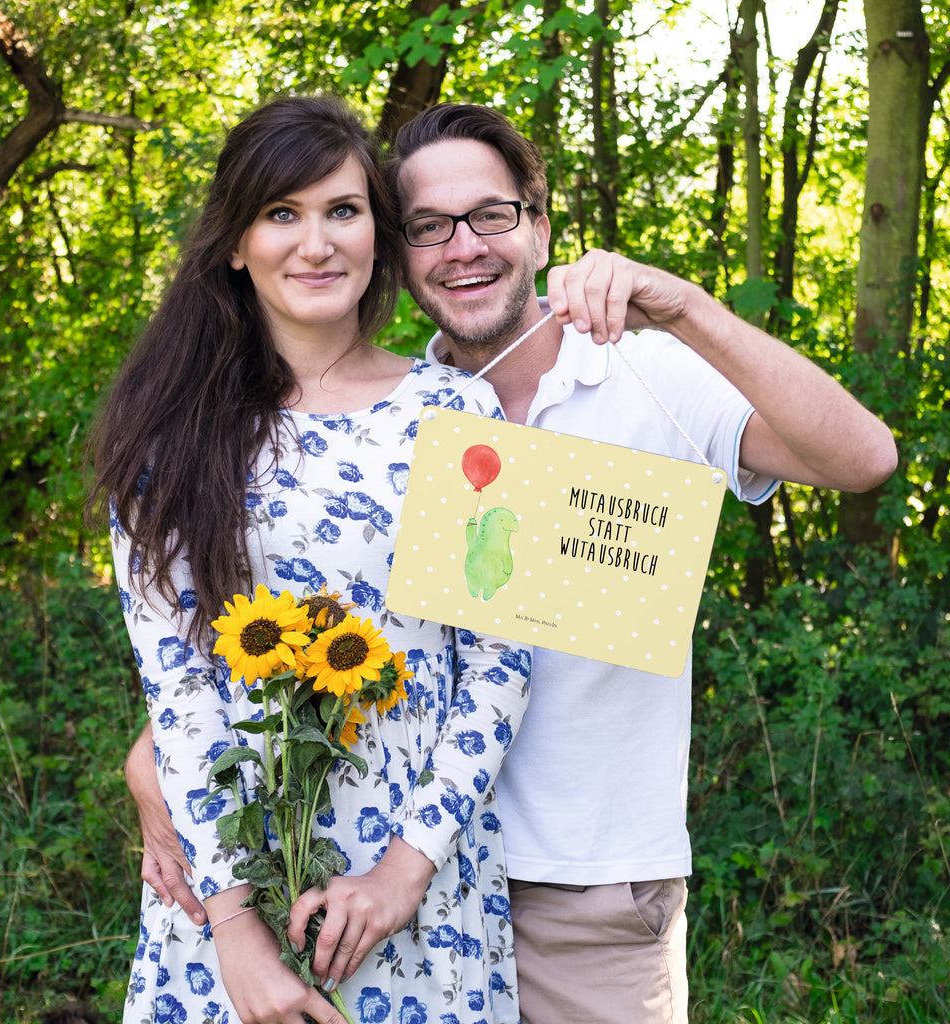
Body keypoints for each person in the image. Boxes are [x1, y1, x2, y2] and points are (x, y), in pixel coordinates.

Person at [128, 102, 898, 1024]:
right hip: (354, 876)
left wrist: (685, 306)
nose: (463, 247)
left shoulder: (637, 373)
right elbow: (255, 635)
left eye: (491, 215)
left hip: (578, 887)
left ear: (538, 225)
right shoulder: (389, 415)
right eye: (428, 226)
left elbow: (864, 461)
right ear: (400, 250)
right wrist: (160, 770)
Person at [89, 96, 535, 1024]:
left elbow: (499, 661)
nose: (316, 243)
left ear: (378, 229)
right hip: (229, 883)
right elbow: (179, 692)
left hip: (418, 886)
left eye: (343, 210)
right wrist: (237, 937)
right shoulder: (169, 438)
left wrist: (404, 873)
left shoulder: (461, 415)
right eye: (281, 214)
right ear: (234, 244)